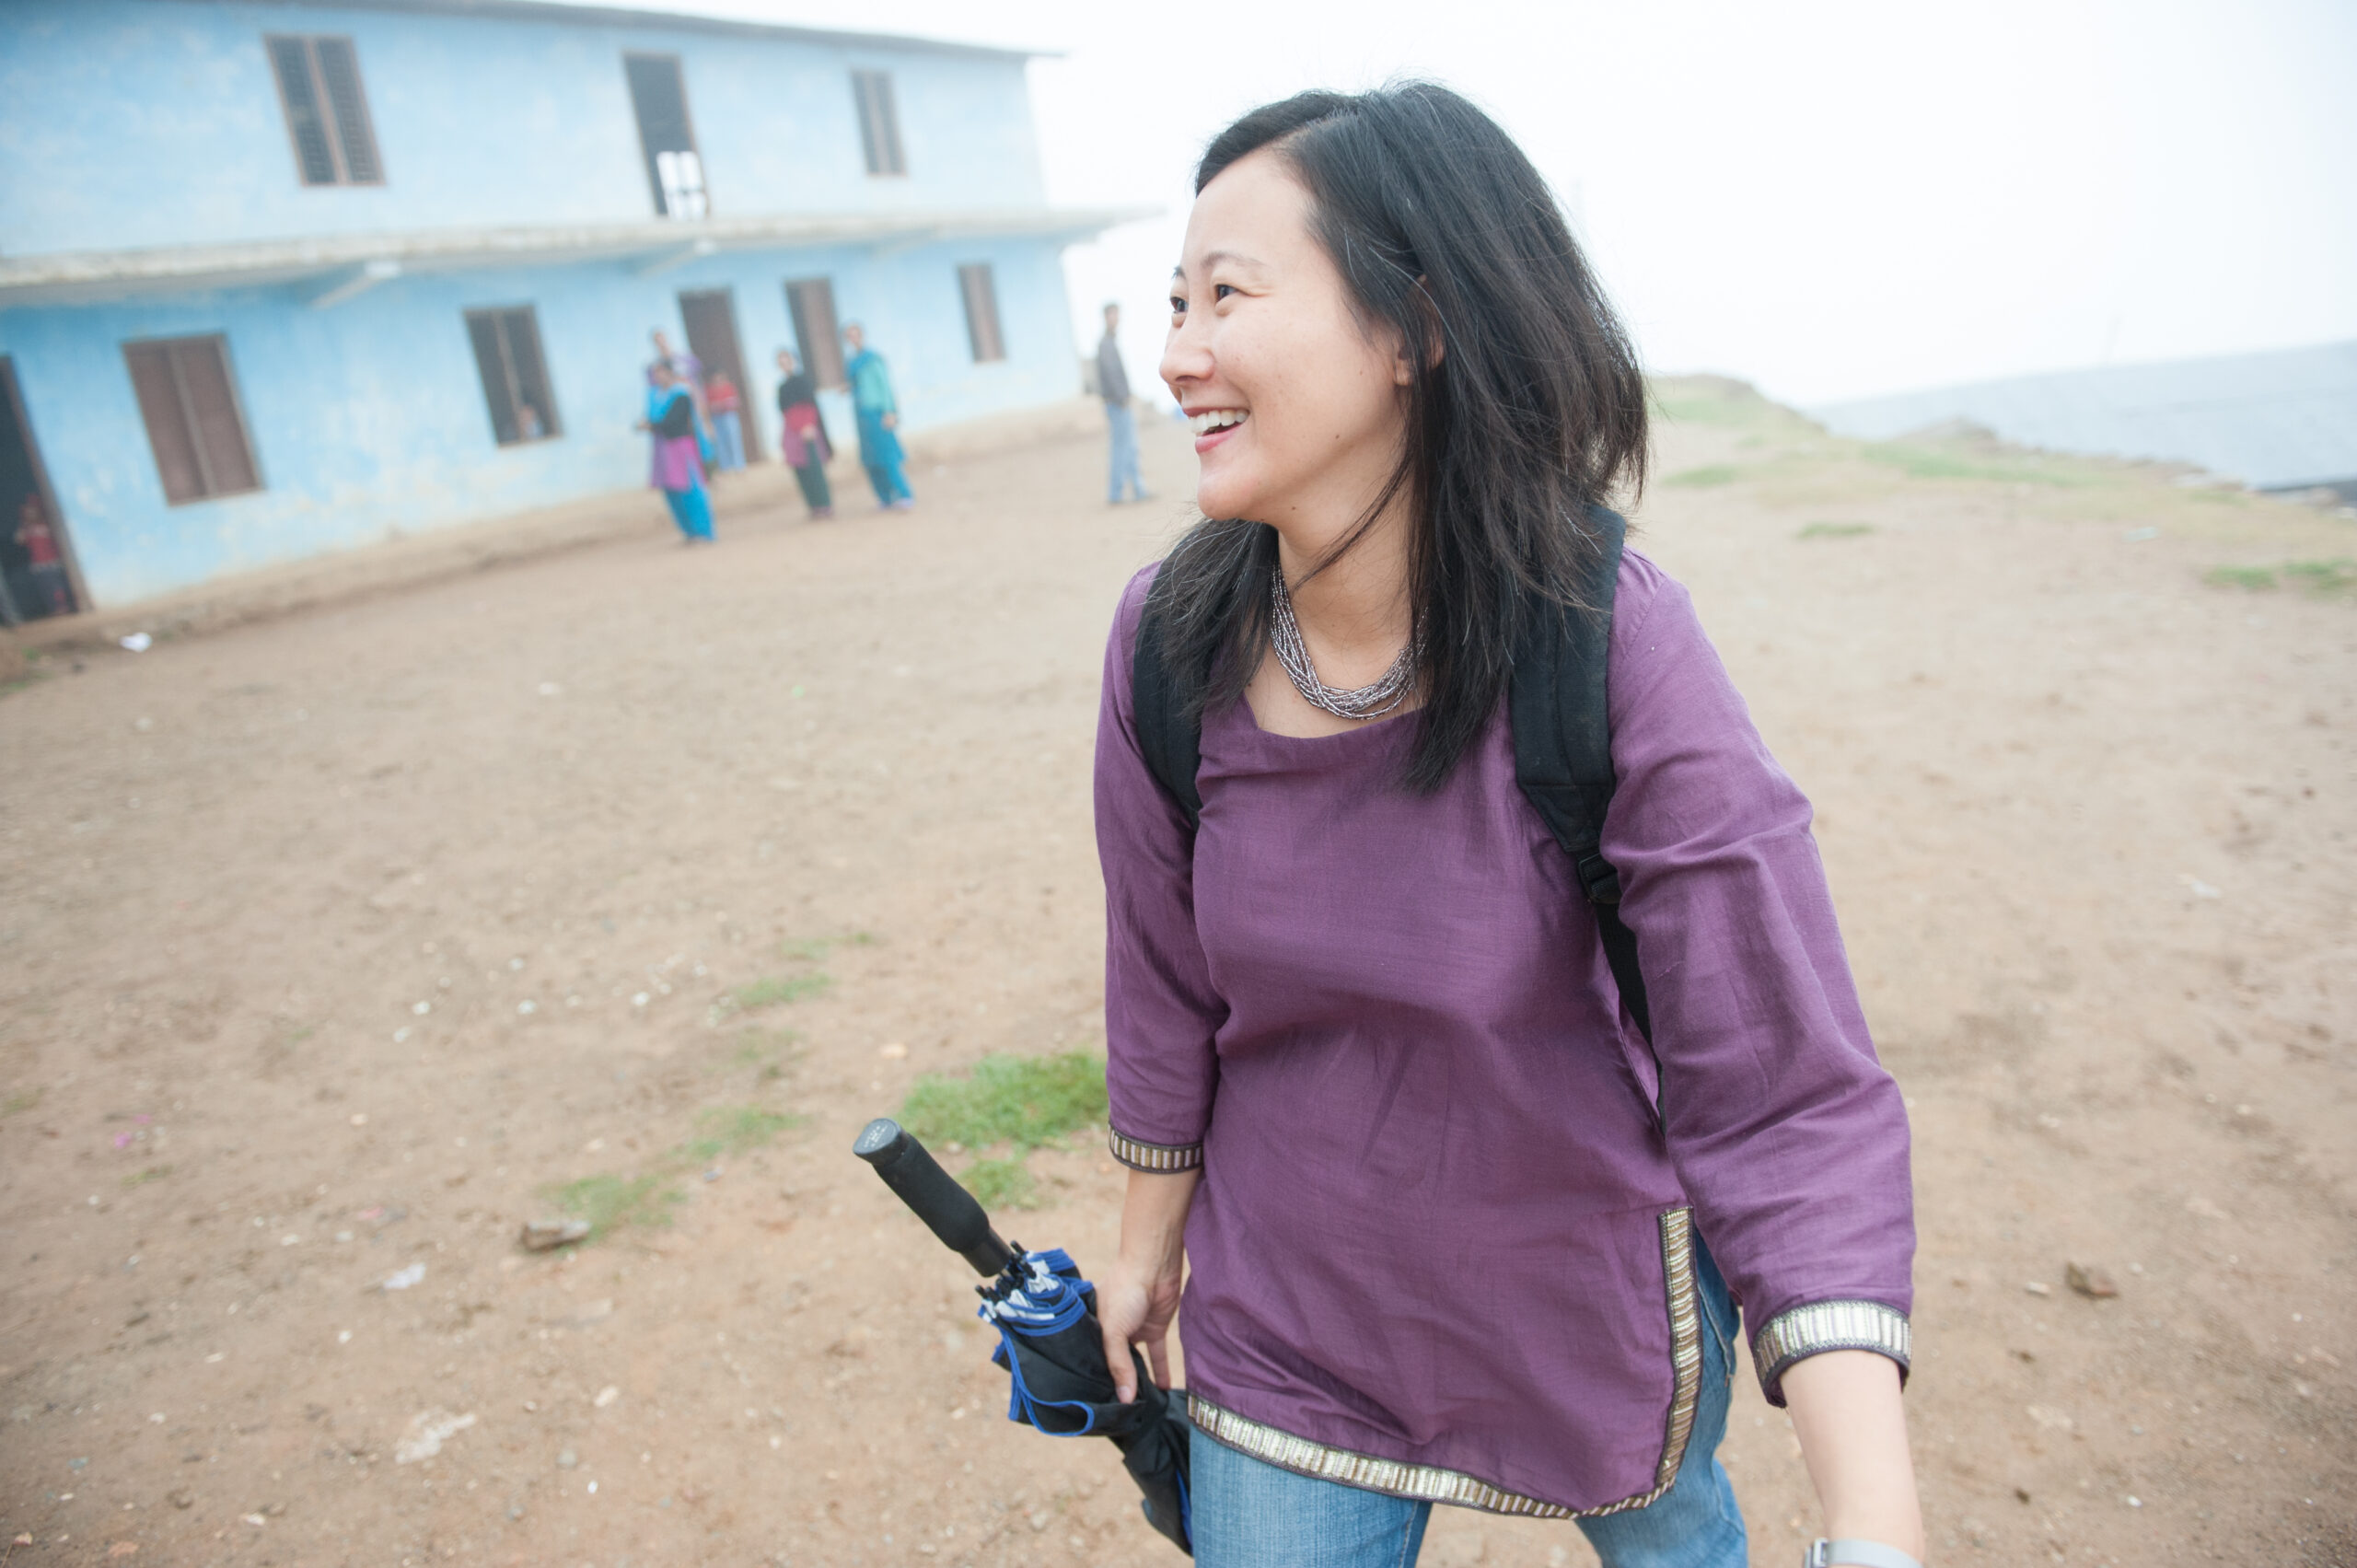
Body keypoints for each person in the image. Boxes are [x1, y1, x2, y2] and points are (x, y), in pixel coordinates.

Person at [1093, 86, 1923, 1568]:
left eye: (1227, 295)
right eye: (1172, 302)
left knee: (1673, 1522)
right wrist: (1147, 1247)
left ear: (1411, 328)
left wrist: (1874, 1519)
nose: (1176, 355)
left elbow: (1780, 1084)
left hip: (1577, 1287)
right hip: (1295, 1318)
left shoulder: (1606, 640)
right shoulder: (1167, 644)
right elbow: (1164, 975)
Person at [635, 362, 714, 543]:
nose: (659, 377)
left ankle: (704, 531)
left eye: (662, 372)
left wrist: (651, 425)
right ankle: (689, 532)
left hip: (680, 446)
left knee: (690, 489)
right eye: (656, 374)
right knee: (671, 491)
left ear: (670, 373)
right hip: (663, 448)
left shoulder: (681, 394)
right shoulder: (654, 395)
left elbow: (674, 421)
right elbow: (649, 418)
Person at [842, 322, 913, 510]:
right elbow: (859, 385)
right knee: (870, 458)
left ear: (862, 335)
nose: (853, 339)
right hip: (861, 414)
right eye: (849, 336)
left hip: (877, 412)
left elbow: (884, 386)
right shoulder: (851, 362)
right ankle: (885, 497)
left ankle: (904, 494)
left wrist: (890, 412)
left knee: (887, 455)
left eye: (855, 334)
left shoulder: (873, 359)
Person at [1098, 302, 1150, 505]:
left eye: (1117, 314)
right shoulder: (1105, 344)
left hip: (1118, 402)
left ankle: (1137, 489)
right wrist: (1123, 398)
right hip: (1117, 404)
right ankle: (1117, 493)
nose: (1116, 318)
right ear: (1106, 317)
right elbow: (1111, 374)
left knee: (1128, 447)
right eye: (1113, 314)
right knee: (1123, 448)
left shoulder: (1109, 342)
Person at [774, 348, 835, 519]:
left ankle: (824, 504)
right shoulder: (782, 387)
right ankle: (813, 506)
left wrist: (808, 425)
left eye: (786, 360)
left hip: (807, 428)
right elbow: (784, 411)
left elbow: (810, 405)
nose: (784, 364)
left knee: (814, 468)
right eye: (781, 361)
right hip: (792, 430)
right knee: (800, 469)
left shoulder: (802, 381)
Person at [14, 493, 72, 616]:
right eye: (27, 512)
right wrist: (24, 525)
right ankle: (55, 609)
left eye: (32, 512)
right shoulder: (27, 528)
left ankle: (63, 607)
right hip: (38, 564)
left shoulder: (47, 525)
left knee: (56, 586)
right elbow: (19, 540)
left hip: (52, 562)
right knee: (46, 588)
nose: (30, 514)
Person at [704, 370, 746, 472]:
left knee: (734, 440)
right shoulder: (709, 390)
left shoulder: (728, 387)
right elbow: (708, 405)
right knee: (720, 443)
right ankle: (726, 467)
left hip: (729, 416)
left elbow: (736, 401)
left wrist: (725, 404)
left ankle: (739, 465)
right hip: (717, 418)